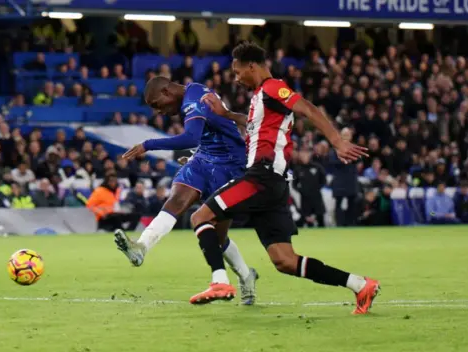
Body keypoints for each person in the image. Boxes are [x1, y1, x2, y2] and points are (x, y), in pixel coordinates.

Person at [195, 42, 379, 314]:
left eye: (237, 71)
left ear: (252, 66)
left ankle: (220, 281)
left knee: (200, 217)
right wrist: (226, 115)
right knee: (285, 261)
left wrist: (337, 142)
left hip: (262, 178)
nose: (236, 77)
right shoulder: (260, 96)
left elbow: (307, 108)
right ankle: (360, 285)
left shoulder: (272, 87)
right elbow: (254, 125)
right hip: (273, 183)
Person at [114, 76, 258, 305]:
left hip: (230, 165)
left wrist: (147, 145)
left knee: (218, 237)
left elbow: (191, 136)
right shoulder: (191, 97)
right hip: (204, 158)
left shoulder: (194, 98)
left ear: (166, 91)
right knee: (176, 199)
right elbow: (204, 135)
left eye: (156, 104)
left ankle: (246, 274)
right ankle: (141, 247)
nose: (158, 112)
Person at [293, 148, 327, 227]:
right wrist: (301, 190)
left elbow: (324, 180)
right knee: (305, 218)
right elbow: (294, 184)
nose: (304, 157)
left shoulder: (317, 167)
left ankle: (323, 232)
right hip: (305, 198)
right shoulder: (298, 169)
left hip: (317, 196)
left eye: (306, 154)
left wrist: (318, 188)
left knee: (320, 217)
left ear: (309, 155)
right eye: (302, 155)